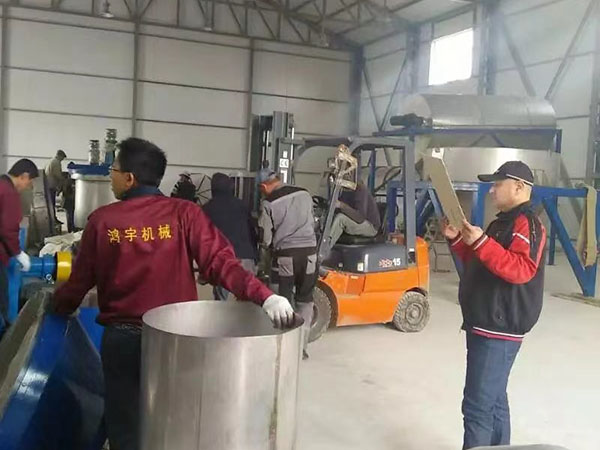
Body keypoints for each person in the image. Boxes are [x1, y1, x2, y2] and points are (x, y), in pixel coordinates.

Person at [52, 138, 294, 450]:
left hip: (122, 340)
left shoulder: (104, 221)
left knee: (125, 423)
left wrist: (58, 306)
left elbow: (79, 281)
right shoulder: (185, 214)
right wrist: (265, 296)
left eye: (113, 170)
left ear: (129, 178)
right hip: (176, 343)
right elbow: (221, 263)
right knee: (177, 422)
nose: (110, 176)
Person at [440, 161, 546, 449]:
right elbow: (480, 261)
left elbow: (522, 269)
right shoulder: (501, 223)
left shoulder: (527, 224)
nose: (491, 191)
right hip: (484, 320)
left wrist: (482, 242)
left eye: (498, 185)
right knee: (494, 400)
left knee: (477, 408)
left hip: (499, 327)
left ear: (519, 187)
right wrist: (458, 240)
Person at [258, 170, 316, 359]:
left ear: (264, 186)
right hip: (310, 255)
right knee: (305, 300)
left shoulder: (268, 203)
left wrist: (263, 258)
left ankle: (284, 347)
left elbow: (265, 238)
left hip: (285, 257)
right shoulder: (305, 194)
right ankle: (301, 348)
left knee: (282, 300)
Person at [202, 172, 257, 300]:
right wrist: (255, 256)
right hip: (246, 256)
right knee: (247, 300)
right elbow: (252, 232)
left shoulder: (207, 209)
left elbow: (203, 239)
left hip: (224, 259)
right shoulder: (242, 205)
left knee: (222, 302)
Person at [0, 159, 39, 331]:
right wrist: (18, 253)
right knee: (2, 300)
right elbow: (8, 228)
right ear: (23, 176)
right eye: (29, 182)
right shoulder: (9, 193)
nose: (28, 186)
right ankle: (5, 336)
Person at [327, 180, 381, 248]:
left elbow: (360, 218)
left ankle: (325, 248)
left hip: (370, 227)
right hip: (357, 221)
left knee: (341, 219)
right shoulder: (346, 192)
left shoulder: (361, 191)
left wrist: (341, 205)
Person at [45, 150, 67, 221]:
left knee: (50, 203)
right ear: (60, 156)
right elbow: (58, 175)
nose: (62, 160)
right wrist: (64, 181)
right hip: (51, 186)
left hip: (47, 185)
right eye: (62, 158)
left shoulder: (50, 161)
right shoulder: (56, 162)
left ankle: (52, 218)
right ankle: (53, 218)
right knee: (52, 203)